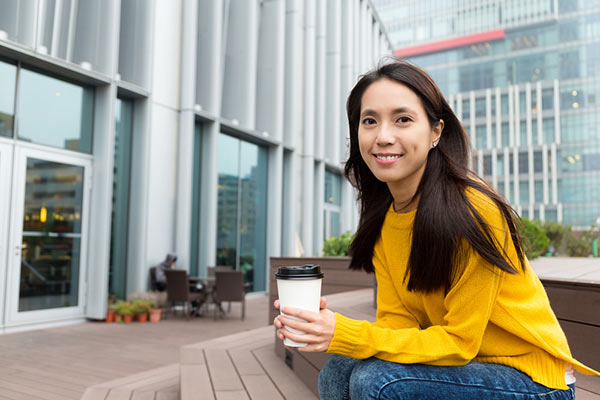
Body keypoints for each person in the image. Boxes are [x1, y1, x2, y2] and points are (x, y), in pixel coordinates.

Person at [273, 59, 599, 399]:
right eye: (369, 121)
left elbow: (459, 343)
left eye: (403, 119)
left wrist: (343, 331)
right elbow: (396, 327)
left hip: (534, 381)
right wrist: (324, 328)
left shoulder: (472, 210)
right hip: (459, 371)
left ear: (436, 132)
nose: (383, 136)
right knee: (339, 369)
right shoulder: (385, 220)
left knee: (377, 380)